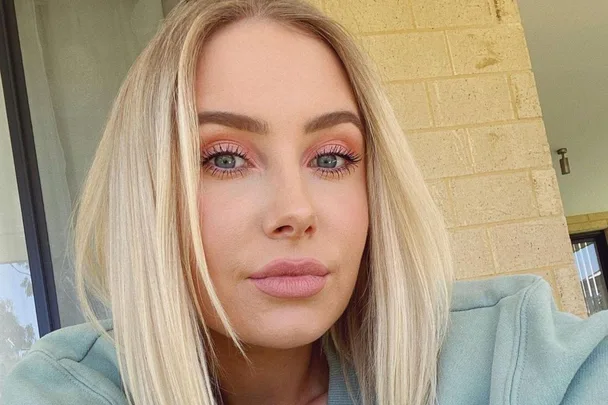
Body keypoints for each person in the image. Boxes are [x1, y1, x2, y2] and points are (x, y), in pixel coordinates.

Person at [2, 1, 608, 404]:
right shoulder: (64, 390)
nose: (296, 210)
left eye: (331, 158)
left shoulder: (503, 355)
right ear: (148, 194)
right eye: (224, 158)